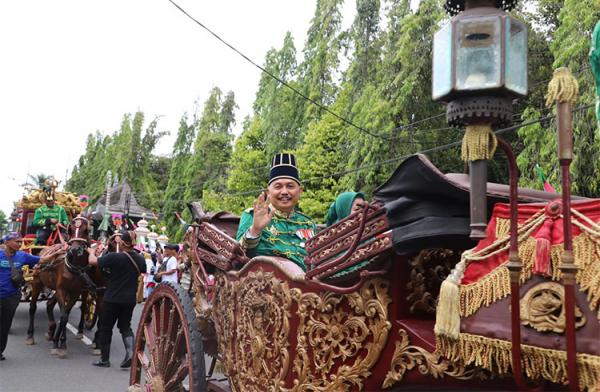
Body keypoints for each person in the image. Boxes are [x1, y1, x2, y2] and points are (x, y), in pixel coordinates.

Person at [236, 153, 317, 271]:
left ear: (300, 191)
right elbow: (239, 255)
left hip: (307, 284)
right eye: (278, 186)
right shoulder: (252, 215)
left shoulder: (308, 223)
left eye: (290, 186)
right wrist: (255, 230)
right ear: (268, 192)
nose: (284, 192)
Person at [87, 231, 146, 368]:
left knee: (105, 328)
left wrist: (91, 251)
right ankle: (130, 353)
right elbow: (142, 270)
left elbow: (92, 261)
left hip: (112, 298)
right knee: (125, 326)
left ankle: (104, 360)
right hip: (130, 299)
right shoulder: (140, 259)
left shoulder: (114, 257)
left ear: (121, 243)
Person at [0, 232, 48, 360]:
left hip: (11, 296)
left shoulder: (22, 255)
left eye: (20, 241)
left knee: (5, 326)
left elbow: (42, 260)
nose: (20, 244)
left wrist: (59, 251)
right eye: (17, 241)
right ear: (7, 242)